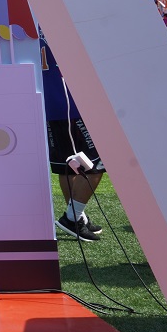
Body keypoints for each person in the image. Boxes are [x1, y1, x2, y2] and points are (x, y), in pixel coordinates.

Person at [40, 31, 105, 242]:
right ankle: (72, 217)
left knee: (67, 166)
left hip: (52, 105)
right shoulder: (57, 24)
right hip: (69, 105)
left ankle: (77, 217)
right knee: (97, 164)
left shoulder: (33, 26)